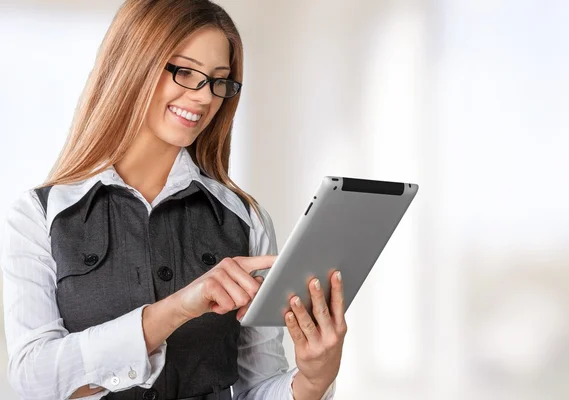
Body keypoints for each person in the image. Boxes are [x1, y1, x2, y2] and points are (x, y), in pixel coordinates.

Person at [0, 1, 347, 399]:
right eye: (184, 71)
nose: (203, 98)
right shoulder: (38, 217)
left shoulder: (246, 219)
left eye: (219, 81)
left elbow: (256, 386)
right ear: (133, 63)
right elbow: (32, 381)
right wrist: (179, 307)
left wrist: (313, 379)